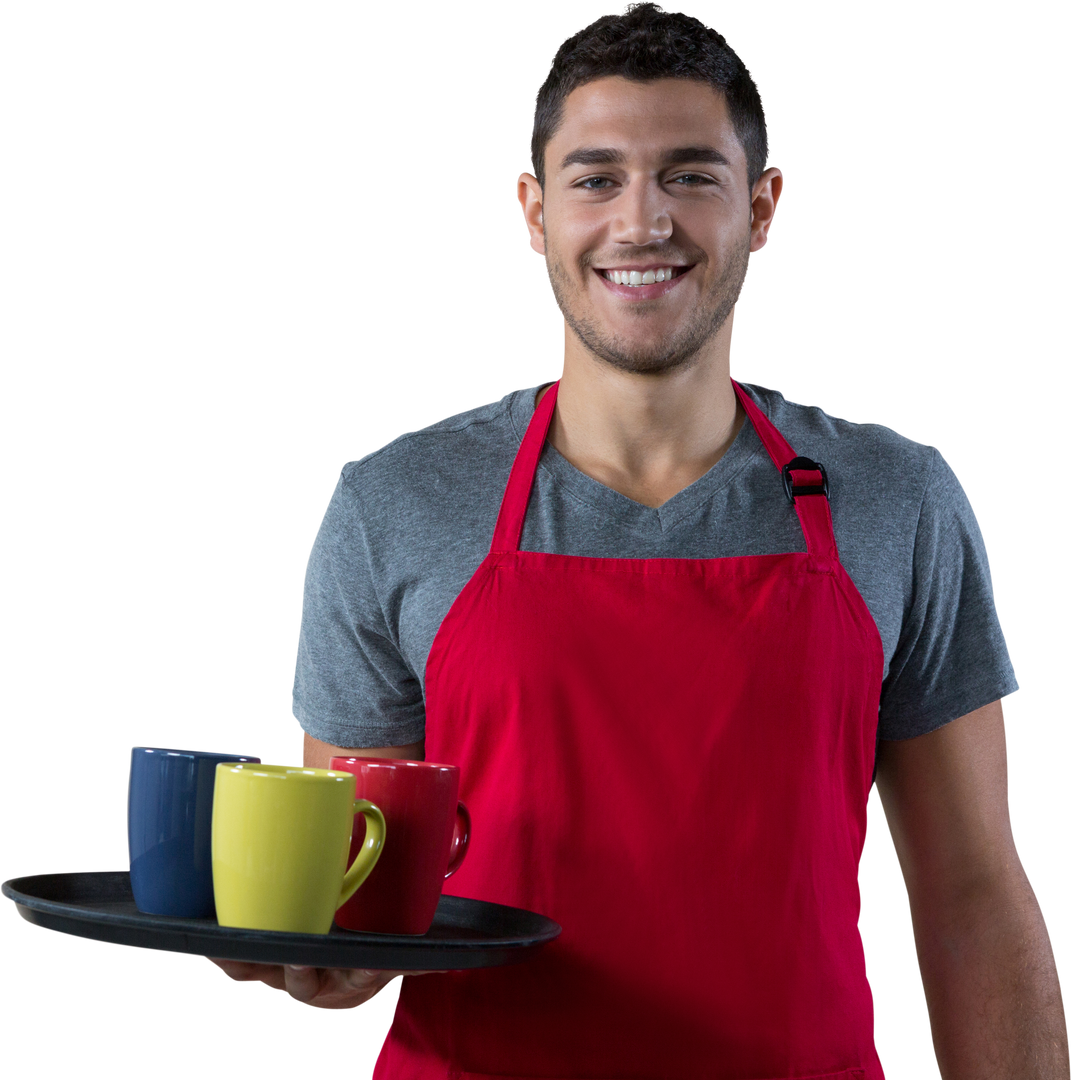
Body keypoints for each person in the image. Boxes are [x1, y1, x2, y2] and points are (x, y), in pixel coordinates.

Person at [209, 3, 1069, 1076]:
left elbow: (972, 892)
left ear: (763, 208)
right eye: (596, 177)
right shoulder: (393, 503)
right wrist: (325, 963)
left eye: (692, 176)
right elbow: (364, 901)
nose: (642, 221)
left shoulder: (900, 498)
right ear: (533, 212)